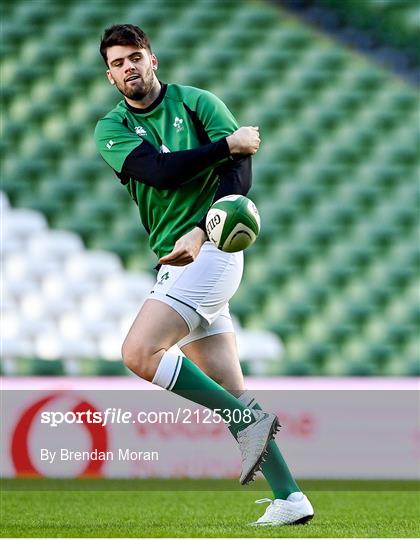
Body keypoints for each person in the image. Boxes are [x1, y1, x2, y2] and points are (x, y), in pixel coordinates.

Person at [94, 24, 313, 526]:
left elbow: (239, 177)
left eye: (135, 58)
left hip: (211, 252)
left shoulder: (199, 102)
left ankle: (248, 425)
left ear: (154, 59)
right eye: (118, 63)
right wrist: (226, 146)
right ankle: (289, 498)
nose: (128, 68)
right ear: (110, 76)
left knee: (139, 353)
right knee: (228, 387)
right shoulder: (111, 128)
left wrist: (200, 228)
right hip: (179, 259)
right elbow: (161, 172)